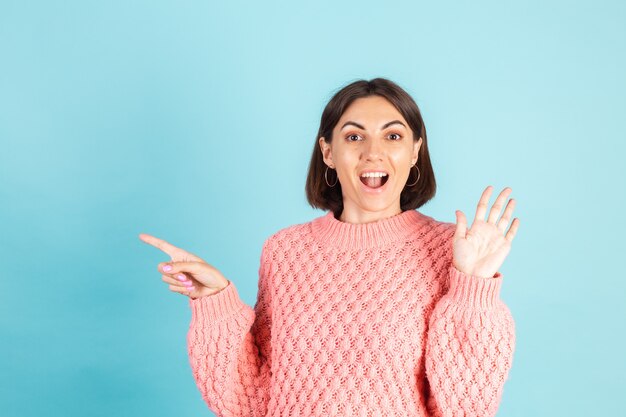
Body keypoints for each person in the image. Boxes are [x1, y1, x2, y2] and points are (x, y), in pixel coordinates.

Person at [139, 77, 520, 417]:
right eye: (354, 137)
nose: (373, 153)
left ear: (416, 150)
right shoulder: (284, 252)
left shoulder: (447, 249)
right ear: (328, 152)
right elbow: (251, 400)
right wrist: (216, 301)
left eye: (393, 135)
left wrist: (473, 288)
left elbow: (467, 409)